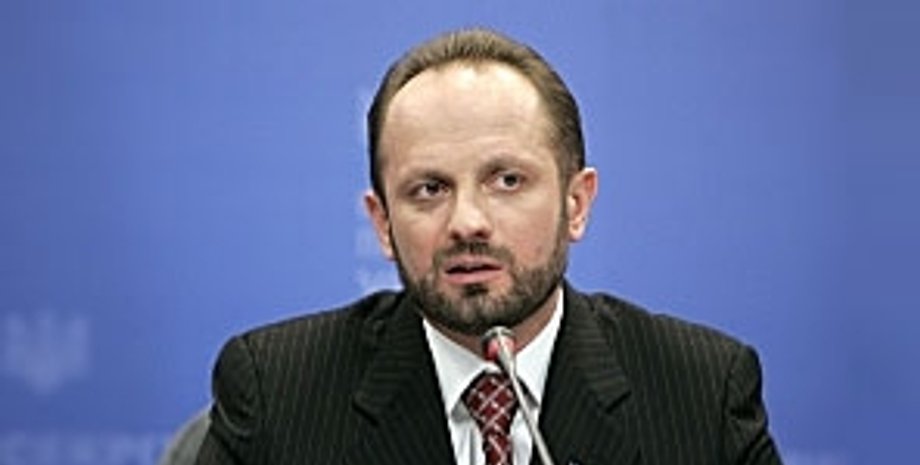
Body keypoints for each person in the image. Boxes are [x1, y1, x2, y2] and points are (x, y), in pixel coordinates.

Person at [195, 28, 782, 465]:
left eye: (507, 181)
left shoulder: (701, 392)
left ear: (577, 204)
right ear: (383, 224)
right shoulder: (277, 393)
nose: (467, 223)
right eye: (429, 189)